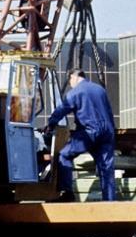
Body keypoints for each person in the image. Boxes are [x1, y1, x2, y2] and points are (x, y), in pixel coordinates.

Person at [46, 70, 116, 201]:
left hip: (89, 132)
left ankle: (67, 193)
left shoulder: (76, 92)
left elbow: (62, 109)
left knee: (65, 155)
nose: (70, 84)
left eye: (70, 81)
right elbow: (109, 112)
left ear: (73, 77)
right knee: (106, 169)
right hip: (107, 133)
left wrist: (50, 124)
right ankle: (110, 203)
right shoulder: (100, 90)